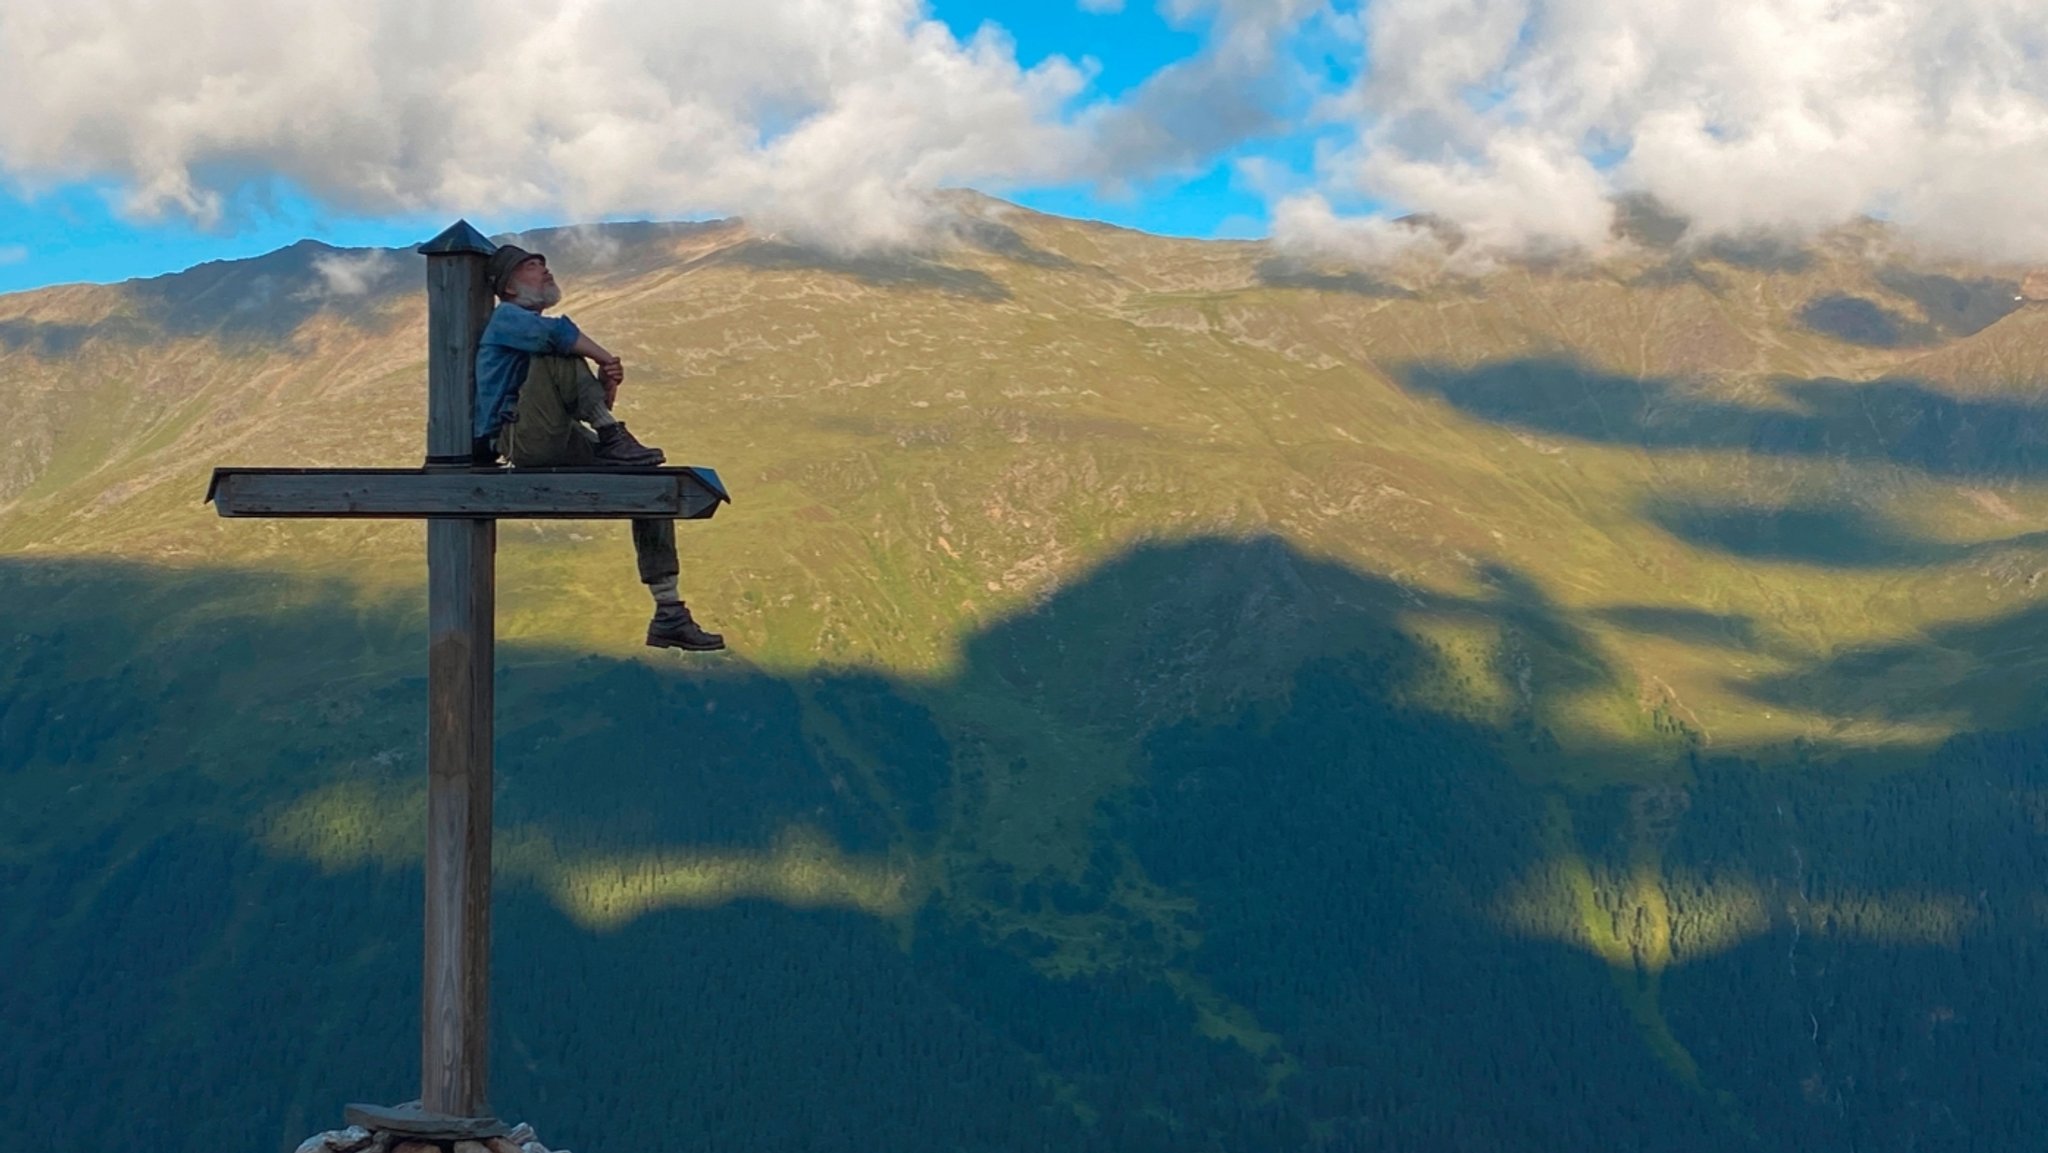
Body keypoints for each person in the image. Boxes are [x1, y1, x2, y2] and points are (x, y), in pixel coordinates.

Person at [472, 243, 725, 651]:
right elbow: (559, 338)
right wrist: (606, 360)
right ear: (510, 287)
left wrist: (606, 384)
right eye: (534, 268)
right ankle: (612, 435)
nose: (546, 271)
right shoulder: (507, 320)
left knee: (647, 482)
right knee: (557, 347)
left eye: (545, 264)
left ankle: (669, 611)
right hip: (519, 438)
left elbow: (578, 399)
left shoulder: (527, 327)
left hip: (553, 433)